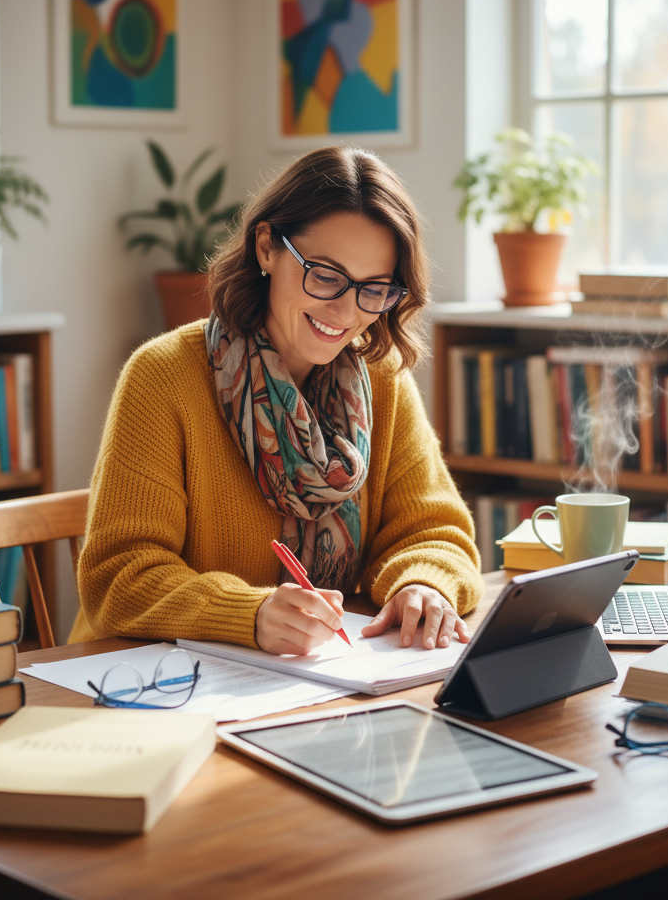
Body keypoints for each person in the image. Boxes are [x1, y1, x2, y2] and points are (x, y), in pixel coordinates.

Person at [69, 145, 484, 655]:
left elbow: (437, 532)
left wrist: (423, 584)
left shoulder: (383, 383)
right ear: (266, 246)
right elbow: (118, 578)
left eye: (374, 289)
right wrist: (250, 614)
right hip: (146, 684)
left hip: (321, 683)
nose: (346, 311)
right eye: (327, 276)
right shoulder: (163, 377)